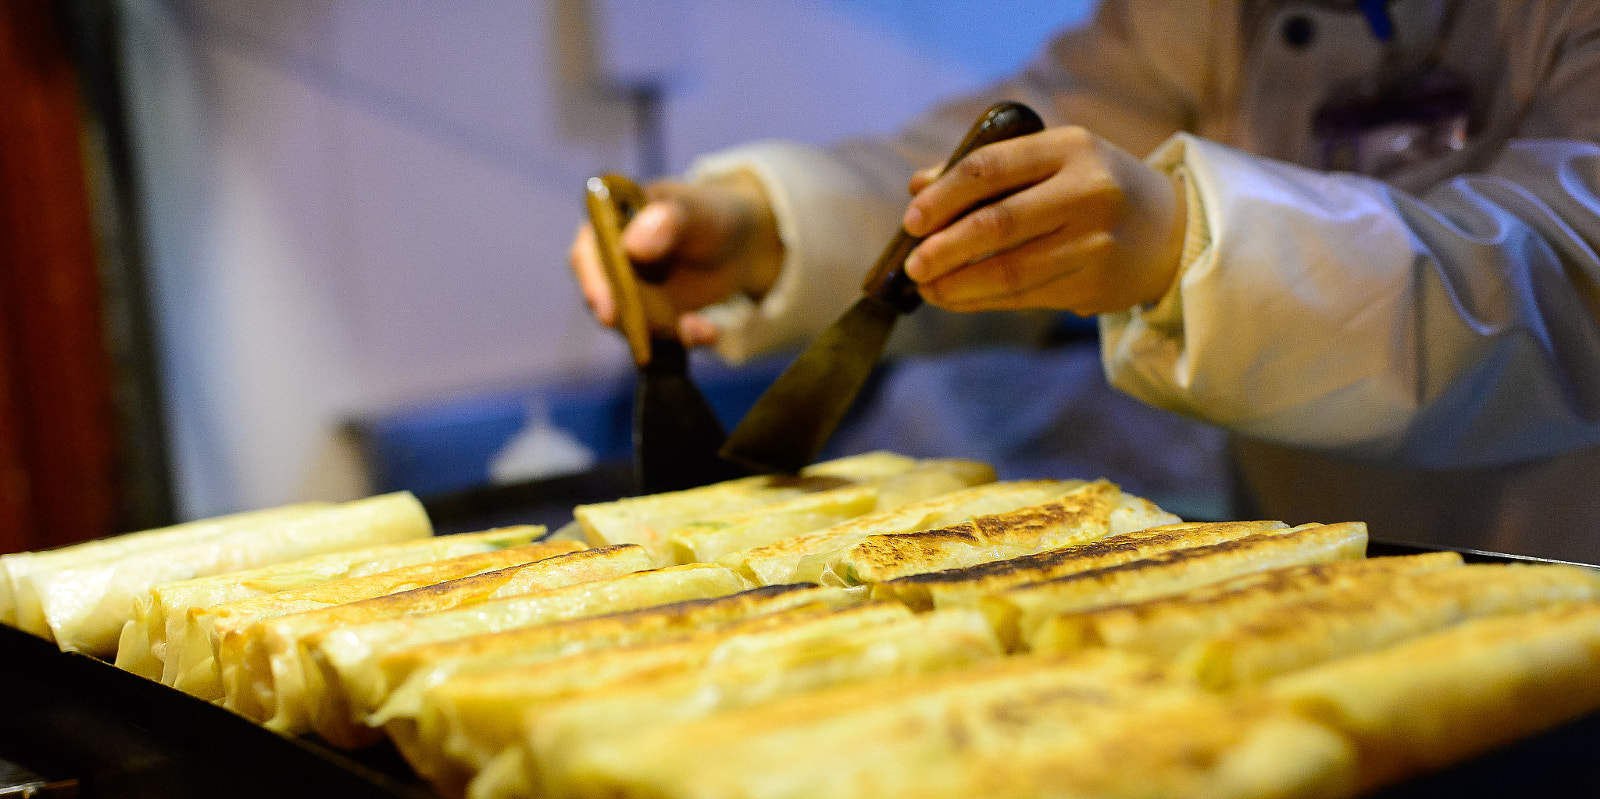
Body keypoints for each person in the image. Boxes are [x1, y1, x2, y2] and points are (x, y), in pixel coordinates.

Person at [570, 0, 1600, 562]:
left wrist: (1186, 240)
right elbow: (1031, 138)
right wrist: (768, 227)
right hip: (1314, 584)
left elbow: (1562, 281)